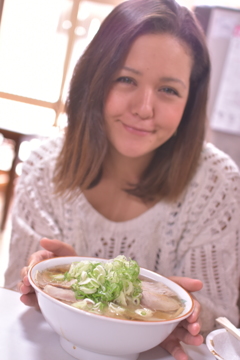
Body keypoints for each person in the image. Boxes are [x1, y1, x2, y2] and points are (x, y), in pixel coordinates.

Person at [4, 0, 240, 358]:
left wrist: (182, 314)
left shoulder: (218, 184)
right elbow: (13, 296)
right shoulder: (44, 166)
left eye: (168, 90)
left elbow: (221, 317)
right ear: (94, 80)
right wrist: (58, 283)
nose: (144, 108)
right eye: (126, 79)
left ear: (190, 101)